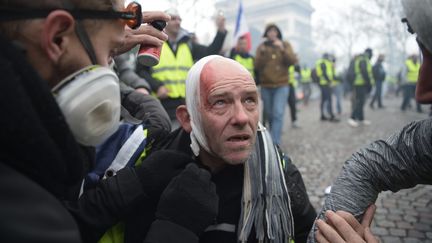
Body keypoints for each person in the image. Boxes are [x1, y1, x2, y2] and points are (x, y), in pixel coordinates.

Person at [0, 1, 218, 242]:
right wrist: (175, 230)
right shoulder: (19, 205)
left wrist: (101, 35)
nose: (108, 71)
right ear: (57, 38)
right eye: (110, 55)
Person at [308, 0, 432, 241]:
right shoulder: (356, 62)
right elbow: (367, 165)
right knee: (347, 105)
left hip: (347, 86)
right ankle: (352, 116)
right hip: (342, 87)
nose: (422, 92)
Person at [136, 8, 227, 130]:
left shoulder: (188, 44)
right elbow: (140, 71)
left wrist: (221, 32)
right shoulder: (153, 42)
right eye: (173, 19)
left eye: (179, 19)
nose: (178, 22)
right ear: (165, 22)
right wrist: (156, 86)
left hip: (184, 104)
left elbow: (210, 52)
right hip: (161, 104)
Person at [255, 23, 297, 145]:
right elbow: (257, 66)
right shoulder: (261, 47)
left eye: (274, 31)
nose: (272, 33)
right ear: (266, 34)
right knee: (269, 114)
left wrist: (282, 49)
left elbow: (292, 61)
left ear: (278, 33)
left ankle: (275, 143)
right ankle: (273, 136)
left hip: (282, 85)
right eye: (270, 31)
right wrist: (262, 54)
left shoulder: (285, 45)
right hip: (266, 86)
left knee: (278, 112)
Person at [348, 48, 375, 127]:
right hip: (360, 83)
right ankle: (352, 118)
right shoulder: (363, 59)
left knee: (362, 102)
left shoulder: (363, 59)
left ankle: (361, 118)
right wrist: (369, 83)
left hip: (361, 83)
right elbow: (364, 72)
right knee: (359, 101)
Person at [316, 53, 338, 122]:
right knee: (329, 100)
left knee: (324, 100)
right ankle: (331, 116)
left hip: (323, 84)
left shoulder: (324, 62)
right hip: (325, 84)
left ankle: (323, 115)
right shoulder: (323, 63)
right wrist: (329, 82)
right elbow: (324, 73)